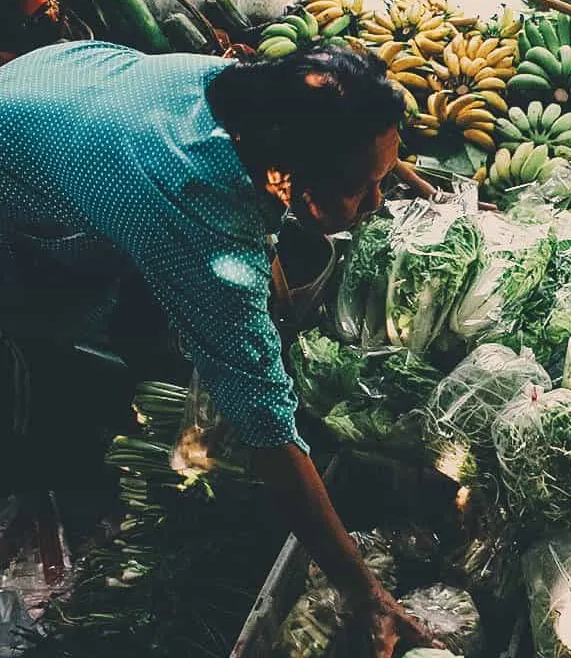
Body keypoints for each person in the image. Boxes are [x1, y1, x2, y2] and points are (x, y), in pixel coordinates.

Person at [0, 41, 438, 657]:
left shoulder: (252, 98)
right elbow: (266, 432)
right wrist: (366, 592)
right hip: (17, 166)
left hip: (50, 85)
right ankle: (44, 445)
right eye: (362, 187)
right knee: (38, 333)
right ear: (297, 171)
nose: (377, 204)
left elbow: (327, 171)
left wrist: (409, 182)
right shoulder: (193, 207)